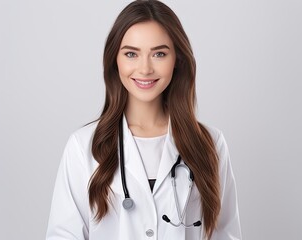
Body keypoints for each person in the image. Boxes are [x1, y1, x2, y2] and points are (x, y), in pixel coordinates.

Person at [46, 0, 241, 239]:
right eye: (131, 54)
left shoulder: (210, 142)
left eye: (159, 54)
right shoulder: (83, 146)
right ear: (114, 60)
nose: (145, 68)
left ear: (177, 60)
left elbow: (225, 233)